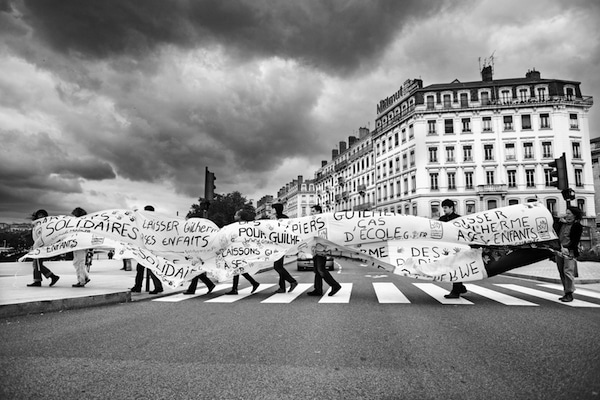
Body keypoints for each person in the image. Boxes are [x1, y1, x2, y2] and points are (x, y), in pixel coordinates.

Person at [306, 205, 342, 297]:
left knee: (321, 270)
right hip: (316, 250)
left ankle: (335, 285)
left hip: (321, 250)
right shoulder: (314, 222)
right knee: (317, 271)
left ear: (319, 212)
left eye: (313, 211)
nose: (312, 213)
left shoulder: (323, 222)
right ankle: (318, 289)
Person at [130, 205, 164, 294]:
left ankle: (155, 286)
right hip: (146, 249)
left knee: (150, 269)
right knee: (142, 269)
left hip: (150, 250)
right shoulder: (147, 221)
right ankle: (139, 286)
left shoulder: (152, 221)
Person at [226, 209, 260, 295]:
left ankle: (235, 289)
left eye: (236, 215)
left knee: (237, 268)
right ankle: (253, 283)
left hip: (240, 251)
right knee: (238, 269)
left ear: (240, 217)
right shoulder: (247, 226)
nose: (234, 216)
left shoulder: (239, 226)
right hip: (240, 251)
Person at [553, 206, 583, 303]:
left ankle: (569, 293)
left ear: (574, 215)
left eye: (569, 213)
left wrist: (568, 248)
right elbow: (554, 226)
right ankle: (566, 292)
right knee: (561, 271)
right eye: (566, 213)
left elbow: (575, 240)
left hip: (569, 251)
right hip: (559, 250)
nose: (567, 215)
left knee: (568, 272)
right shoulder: (562, 224)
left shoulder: (577, 226)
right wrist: (559, 220)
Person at [439, 199, 467, 299]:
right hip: (446, 248)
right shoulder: (442, 219)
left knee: (456, 268)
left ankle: (456, 291)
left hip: (457, 248)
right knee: (449, 269)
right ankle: (460, 287)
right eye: (443, 208)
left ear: (451, 207)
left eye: (446, 208)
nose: (444, 210)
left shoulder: (459, 219)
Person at [26, 209, 60, 287]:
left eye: (42, 215)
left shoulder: (45, 225)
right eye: (39, 215)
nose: (41, 217)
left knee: (37, 264)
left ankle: (45, 278)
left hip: (41, 246)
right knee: (37, 264)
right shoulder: (36, 224)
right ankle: (47, 277)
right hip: (37, 246)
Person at [271, 203, 298, 294]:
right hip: (278, 245)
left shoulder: (283, 219)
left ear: (276, 209)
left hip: (281, 245)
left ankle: (292, 281)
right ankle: (282, 287)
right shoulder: (278, 218)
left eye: (273, 209)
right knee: (280, 267)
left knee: (277, 266)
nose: (272, 211)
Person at [71, 207, 91, 287]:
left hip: (79, 244)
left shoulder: (80, 224)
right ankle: (85, 277)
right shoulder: (86, 223)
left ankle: (82, 280)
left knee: (79, 262)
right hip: (81, 244)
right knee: (78, 262)